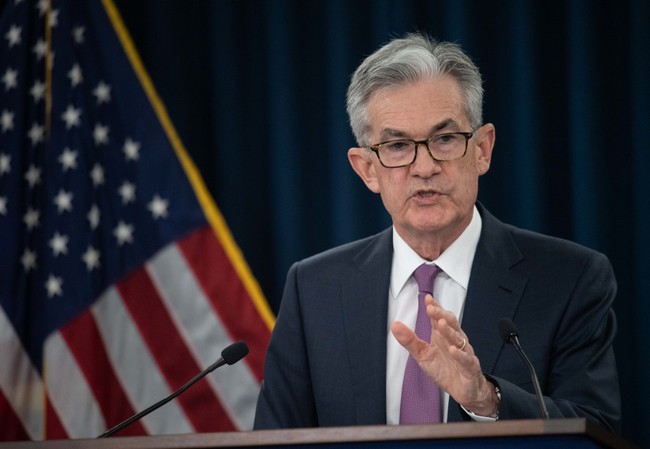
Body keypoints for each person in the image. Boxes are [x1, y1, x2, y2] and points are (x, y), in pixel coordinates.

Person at [253, 32, 620, 433]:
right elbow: (276, 439)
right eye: (396, 146)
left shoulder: (569, 279)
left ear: (482, 149)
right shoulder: (314, 289)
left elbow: (597, 430)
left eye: (444, 139)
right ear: (366, 169)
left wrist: (486, 398)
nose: (424, 167)